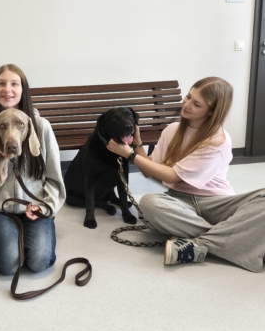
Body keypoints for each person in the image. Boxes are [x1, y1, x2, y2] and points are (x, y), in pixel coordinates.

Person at [107, 77, 265, 272]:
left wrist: (130, 155)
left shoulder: (219, 140)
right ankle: (234, 239)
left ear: (212, 111)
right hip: (178, 200)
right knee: (149, 203)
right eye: (189, 97)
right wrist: (137, 144)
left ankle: (202, 244)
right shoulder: (172, 130)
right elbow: (148, 171)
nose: (187, 104)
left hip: (216, 201)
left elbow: (172, 176)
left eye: (197, 104)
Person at [0, 64, 66, 275]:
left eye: (14, 84)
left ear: (23, 90)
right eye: (1, 83)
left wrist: (44, 207)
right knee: (8, 264)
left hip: (35, 207)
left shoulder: (41, 126)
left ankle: (21, 236)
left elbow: (54, 178)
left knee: (39, 261)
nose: (7, 89)